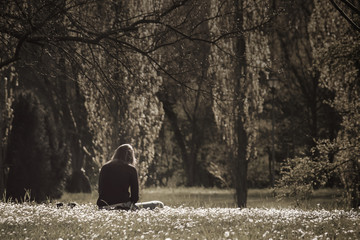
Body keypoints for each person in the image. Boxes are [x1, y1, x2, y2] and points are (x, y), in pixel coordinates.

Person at [97, 144, 164, 210]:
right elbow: (135, 197)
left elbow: (100, 190)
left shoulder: (104, 167)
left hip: (103, 207)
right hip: (122, 206)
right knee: (159, 204)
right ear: (131, 156)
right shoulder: (131, 169)